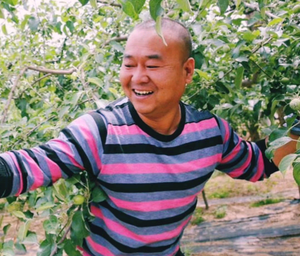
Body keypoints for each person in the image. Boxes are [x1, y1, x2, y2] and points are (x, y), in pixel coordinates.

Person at [0, 18, 299, 256]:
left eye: (153, 66)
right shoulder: (101, 132)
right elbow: (30, 165)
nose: (137, 77)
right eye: (129, 64)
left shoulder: (211, 133)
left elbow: (258, 162)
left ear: (187, 71)